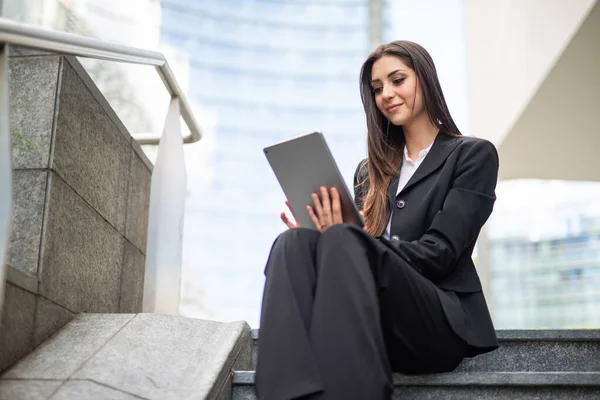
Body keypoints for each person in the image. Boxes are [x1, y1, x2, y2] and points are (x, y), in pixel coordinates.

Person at [255, 40, 499, 400]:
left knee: (342, 239)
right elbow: (358, 260)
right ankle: (284, 395)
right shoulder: (368, 174)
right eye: (377, 88)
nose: (386, 94)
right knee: (294, 244)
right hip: (369, 320)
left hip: (436, 321)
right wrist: (320, 241)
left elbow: (441, 253)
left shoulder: (472, 155)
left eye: (398, 80)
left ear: (425, 80)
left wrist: (350, 240)